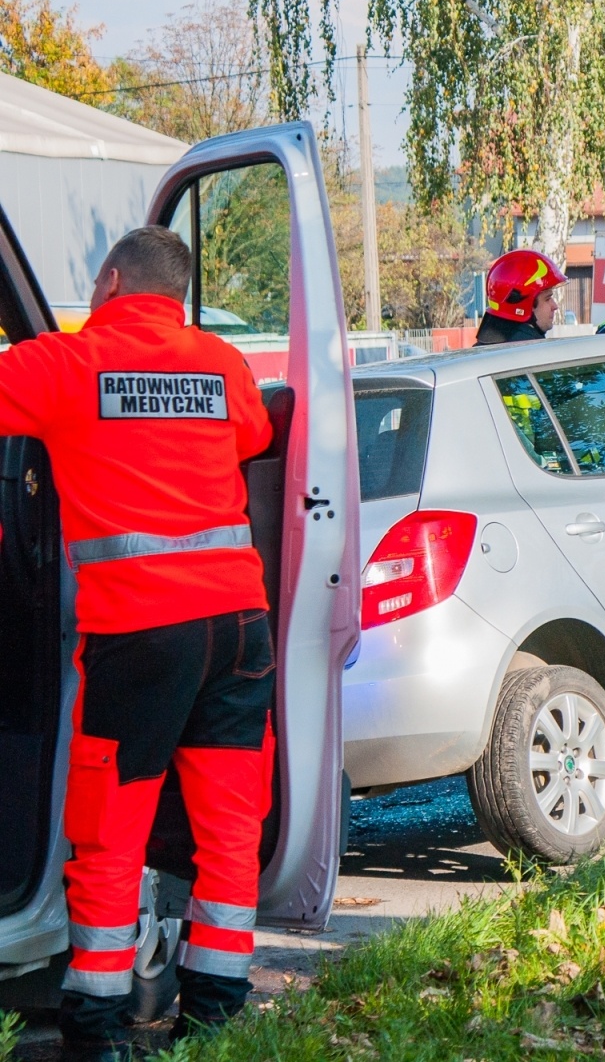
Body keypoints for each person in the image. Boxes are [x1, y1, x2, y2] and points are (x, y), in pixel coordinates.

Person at [0, 227, 275, 1061]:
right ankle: (217, 1017)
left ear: (112, 280)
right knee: (229, 827)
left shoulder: (63, 364)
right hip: (241, 630)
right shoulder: (222, 363)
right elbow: (256, 437)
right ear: (179, 293)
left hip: (141, 638)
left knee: (110, 836)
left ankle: (96, 1027)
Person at [474, 249, 568, 345]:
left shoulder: (480, 351)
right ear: (524, 305)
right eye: (547, 299)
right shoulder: (536, 353)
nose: (555, 306)